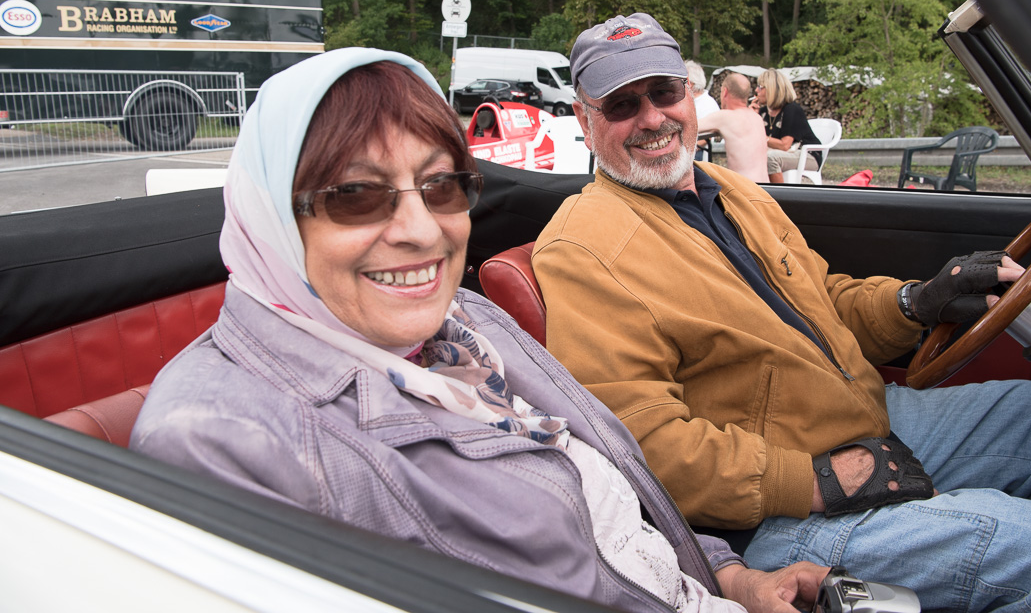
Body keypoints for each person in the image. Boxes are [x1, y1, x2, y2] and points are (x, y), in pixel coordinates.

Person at [129, 47, 829, 613]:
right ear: (269, 217)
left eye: (441, 186)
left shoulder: (463, 325)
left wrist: (728, 577)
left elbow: (614, 502)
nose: (420, 231)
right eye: (354, 195)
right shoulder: (219, 442)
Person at [532, 13, 1031, 612]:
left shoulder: (737, 194)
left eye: (663, 92)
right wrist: (814, 481)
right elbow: (639, 444)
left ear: (690, 98)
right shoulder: (583, 249)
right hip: (769, 514)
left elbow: (826, 303)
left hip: (862, 416)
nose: (651, 118)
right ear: (587, 123)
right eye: (621, 105)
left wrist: (916, 300)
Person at [697, 73, 770, 182]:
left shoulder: (725, 117)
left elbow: (691, 126)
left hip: (746, 189)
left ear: (725, 92)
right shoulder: (757, 118)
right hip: (766, 187)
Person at [755, 70, 822, 184]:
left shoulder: (791, 110)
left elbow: (784, 145)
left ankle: (780, 197)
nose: (756, 91)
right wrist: (751, 117)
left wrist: (762, 137)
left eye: (760, 87)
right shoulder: (762, 112)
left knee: (771, 158)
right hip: (783, 154)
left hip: (806, 155)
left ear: (772, 89)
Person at [686, 60, 720, 161]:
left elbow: (707, 137)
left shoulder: (707, 105)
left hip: (697, 157)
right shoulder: (693, 101)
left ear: (690, 83)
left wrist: (685, 153)